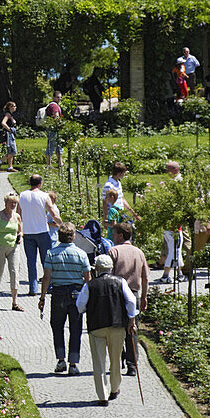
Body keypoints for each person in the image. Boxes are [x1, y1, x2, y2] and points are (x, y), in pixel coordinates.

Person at [76, 254, 138, 405]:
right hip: (117, 326)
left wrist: (88, 309)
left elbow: (80, 306)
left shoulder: (89, 285)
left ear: (96, 268)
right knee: (115, 360)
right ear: (111, 268)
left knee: (99, 362)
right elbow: (131, 300)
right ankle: (114, 388)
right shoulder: (120, 282)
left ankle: (102, 395)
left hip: (97, 327)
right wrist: (131, 319)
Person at [39, 222, 91, 375]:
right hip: (76, 293)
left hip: (58, 293)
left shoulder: (51, 253)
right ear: (73, 236)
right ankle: (73, 363)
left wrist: (42, 297)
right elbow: (87, 278)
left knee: (57, 326)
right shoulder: (81, 254)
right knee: (76, 329)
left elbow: (46, 277)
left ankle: (60, 360)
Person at [108, 223, 148, 376]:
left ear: (121, 236)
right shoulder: (139, 252)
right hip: (134, 294)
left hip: (117, 295)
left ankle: (119, 360)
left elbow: (110, 275)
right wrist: (144, 297)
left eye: (114, 234)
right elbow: (145, 277)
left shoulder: (113, 251)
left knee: (116, 329)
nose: (112, 236)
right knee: (132, 329)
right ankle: (133, 365)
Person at [17, 174, 61, 295]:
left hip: (28, 232)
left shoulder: (22, 195)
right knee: (46, 261)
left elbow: (18, 216)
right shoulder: (44, 196)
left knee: (31, 262)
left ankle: (33, 289)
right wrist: (62, 224)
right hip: (42, 232)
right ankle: (49, 286)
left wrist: (19, 231)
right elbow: (53, 214)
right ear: (40, 183)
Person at [0, 192, 24, 311]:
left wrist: (20, 236)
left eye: (15, 202)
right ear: (5, 203)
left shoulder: (17, 216)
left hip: (13, 248)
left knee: (14, 272)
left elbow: (20, 231)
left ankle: (14, 301)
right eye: (11, 202)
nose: (13, 204)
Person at [155, 161, 185, 284]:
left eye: (169, 169)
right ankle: (174, 274)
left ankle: (171, 274)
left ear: (175, 170)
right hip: (172, 225)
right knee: (175, 249)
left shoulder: (178, 183)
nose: (167, 172)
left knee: (175, 250)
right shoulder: (173, 182)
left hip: (174, 225)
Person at [44, 91, 63, 167]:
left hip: (52, 128)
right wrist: (61, 124)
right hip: (54, 128)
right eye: (58, 97)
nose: (59, 99)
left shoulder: (51, 105)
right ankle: (48, 164)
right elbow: (56, 116)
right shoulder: (54, 106)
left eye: (60, 97)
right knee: (52, 146)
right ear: (54, 97)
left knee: (58, 146)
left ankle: (60, 163)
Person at [0, 101, 18, 171]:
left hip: (11, 134)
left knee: (10, 151)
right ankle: (0, 161)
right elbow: (3, 123)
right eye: (13, 106)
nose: (15, 107)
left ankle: (10, 167)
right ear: (9, 107)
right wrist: (9, 129)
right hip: (9, 135)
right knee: (13, 151)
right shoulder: (7, 115)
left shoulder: (11, 115)